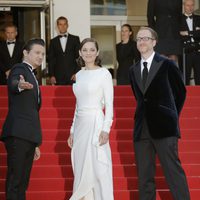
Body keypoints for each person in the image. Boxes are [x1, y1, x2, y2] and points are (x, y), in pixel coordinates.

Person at [129, 27, 190, 200]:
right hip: (142, 130)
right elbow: (140, 97)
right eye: (139, 39)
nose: (142, 41)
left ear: (154, 42)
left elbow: (181, 92)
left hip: (165, 128)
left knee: (173, 173)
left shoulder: (167, 64)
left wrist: (169, 115)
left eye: (146, 38)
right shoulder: (133, 70)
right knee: (144, 177)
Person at [67, 38, 114, 200]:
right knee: (81, 167)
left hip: (96, 123)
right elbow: (77, 105)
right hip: (80, 126)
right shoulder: (79, 75)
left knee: (99, 168)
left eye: (92, 50)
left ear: (97, 53)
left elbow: (109, 104)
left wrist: (106, 129)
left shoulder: (104, 74)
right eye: (85, 50)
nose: (88, 53)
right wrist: (72, 130)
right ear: (80, 53)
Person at [0, 38, 45, 200]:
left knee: (23, 182)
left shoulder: (33, 75)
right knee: (16, 180)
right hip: (18, 134)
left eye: (43, 54)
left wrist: (35, 142)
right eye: (37, 53)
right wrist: (19, 85)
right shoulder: (20, 69)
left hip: (27, 136)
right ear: (26, 53)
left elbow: (32, 111)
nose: (40, 57)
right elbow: (13, 82)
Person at [48, 16, 80, 85]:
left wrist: (77, 73)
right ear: (57, 26)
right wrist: (52, 75)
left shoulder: (75, 39)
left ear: (67, 25)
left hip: (73, 76)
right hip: (58, 77)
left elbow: (79, 57)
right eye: (60, 24)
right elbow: (51, 60)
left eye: (64, 24)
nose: (62, 26)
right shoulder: (53, 42)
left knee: (73, 96)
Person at [180, 0, 200, 85]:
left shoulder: (199, 18)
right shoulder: (178, 19)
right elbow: (178, 34)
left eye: (192, 5)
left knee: (199, 76)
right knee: (185, 77)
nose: (190, 7)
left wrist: (187, 33)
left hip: (198, 50)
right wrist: (195, 32)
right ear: (184, 6)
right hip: (185, 51)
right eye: (188, 5)